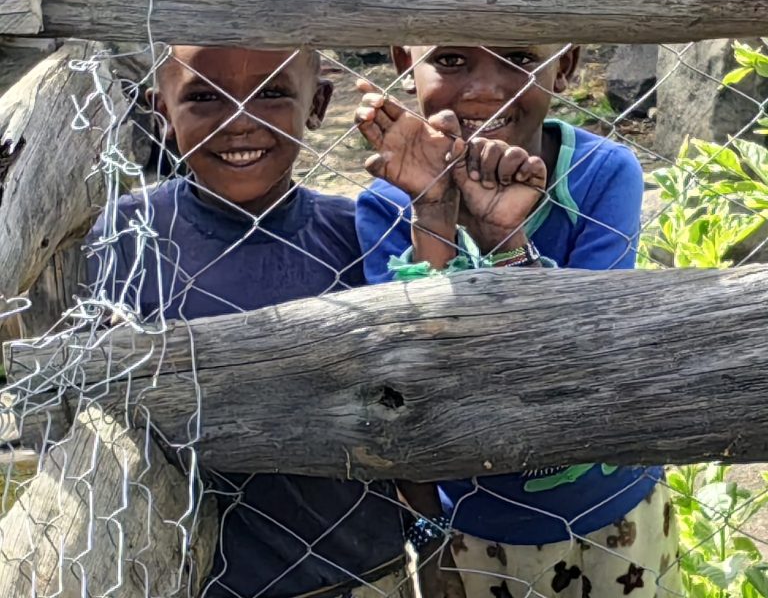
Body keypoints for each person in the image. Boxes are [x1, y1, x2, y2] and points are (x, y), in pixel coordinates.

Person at [354, 44, 680, 598]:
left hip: (618, 507)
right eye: (451, 60)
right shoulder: (386, 205)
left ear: (567, 65)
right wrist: (433, 209)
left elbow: (582, 351)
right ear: (405, 64)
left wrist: (504, 239)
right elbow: (411, 370)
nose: (484, 88)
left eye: (519, 58)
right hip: (480, 527)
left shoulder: (602, 174)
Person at [87, 45, 408, 598]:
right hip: (193, 574)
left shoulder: (360, 231)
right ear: (159, 110)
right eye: (204, 97)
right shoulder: (127, 234)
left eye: (272, 93)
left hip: (359, 567)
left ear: (318, 103)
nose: (239, 122)